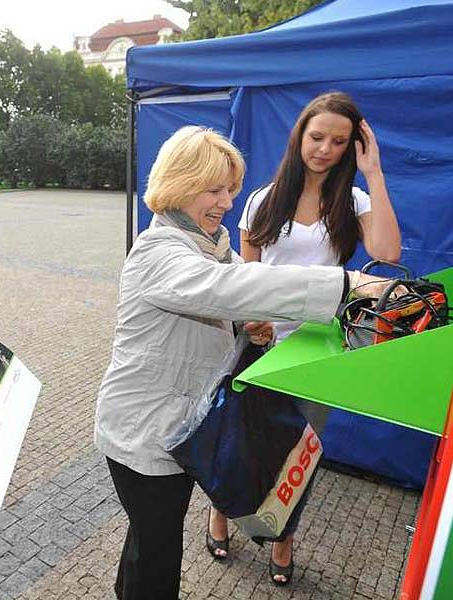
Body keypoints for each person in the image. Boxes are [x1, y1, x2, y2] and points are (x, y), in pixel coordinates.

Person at [94, 126, 395, 600]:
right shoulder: (158, 251)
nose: (227, 202)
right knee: (157, 548)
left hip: (173, 429)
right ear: (180, 183)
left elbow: (239, 291)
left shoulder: (208, 243)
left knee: (149, 538)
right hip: (143, 435)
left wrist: (246, 325)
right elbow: (231, 288)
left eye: (231, 190)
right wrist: (344, 285)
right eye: (214, 190)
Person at [202, 91, 403, 584]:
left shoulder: (352, 200)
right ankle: (220, 515)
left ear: (350, 146)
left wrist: (373, 173)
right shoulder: (262, 200)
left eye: (339, 141)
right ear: (300, 136)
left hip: (318, 350)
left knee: (299, 450)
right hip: (260, 345)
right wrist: (253, 319)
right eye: (317, 137)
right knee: (239, 440)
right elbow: (246, 275)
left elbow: (388, 252)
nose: (325, 149)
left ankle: (283, 538)